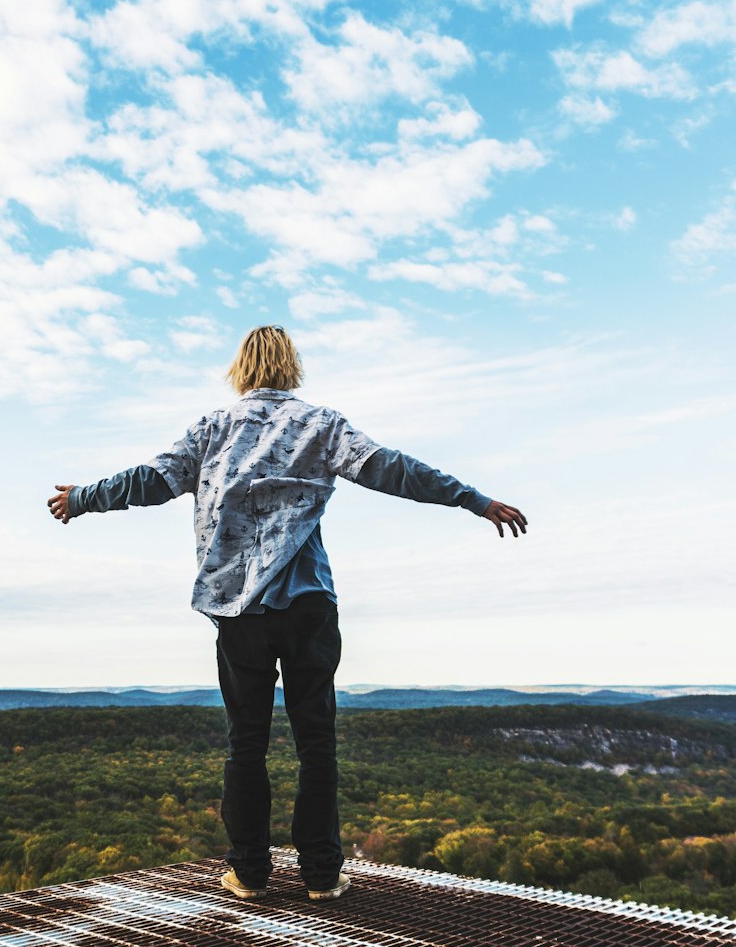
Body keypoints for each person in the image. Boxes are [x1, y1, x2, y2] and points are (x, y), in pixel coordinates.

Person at [48, 326, 526, 902]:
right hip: (308, 605)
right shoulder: (320, 424)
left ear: (242, 368)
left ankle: (248, 873)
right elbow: (392, 468)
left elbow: (152, 481)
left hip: (239, 608)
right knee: (315, 743)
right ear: (291, 367)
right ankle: (322, 876)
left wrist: (82, 497)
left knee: (245, 744)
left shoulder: (213, 428)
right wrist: (473, 500)